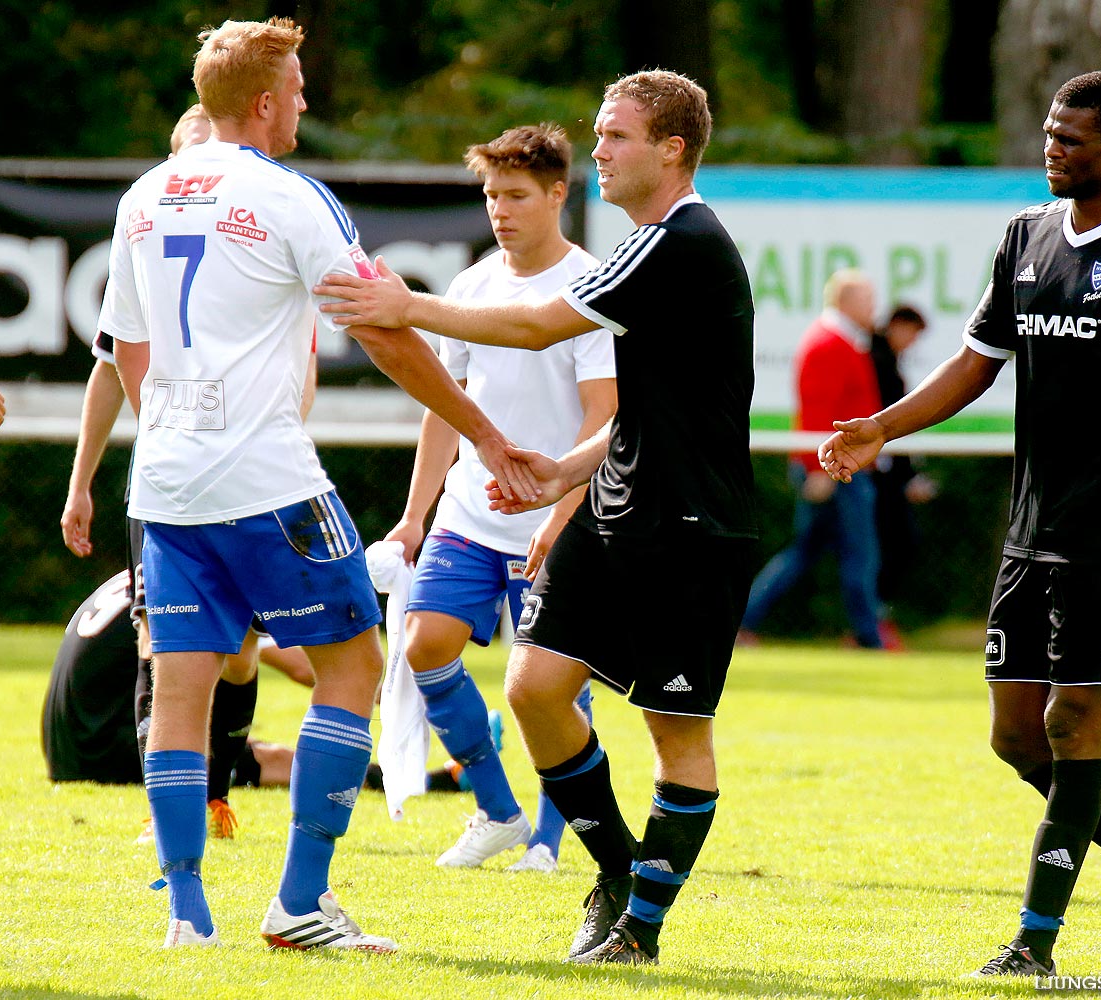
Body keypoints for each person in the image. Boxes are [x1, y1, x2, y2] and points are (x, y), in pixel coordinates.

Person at [101, 16, 535, 951]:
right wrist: (488, 439)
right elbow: (382, 330)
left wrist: (179, 426)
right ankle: (300, 905)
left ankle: (186, 913)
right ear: (263, 102)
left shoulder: (144, 196)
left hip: (164, 487)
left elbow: (128, 344)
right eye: (296, 89)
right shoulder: (290, 196)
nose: (305, 102)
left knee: (178, 695)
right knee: (352, 670)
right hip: (266, 482)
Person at [315, 69, 757, 965]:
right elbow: (645, 411)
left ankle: (639, 931)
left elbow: (536, 328)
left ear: (671, 150)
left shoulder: (681, 239)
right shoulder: (652, 244)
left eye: (617, 136)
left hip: (691, 530)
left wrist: (408, 306)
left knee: (676, 736)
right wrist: (566, 470)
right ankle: (618, 870)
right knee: (533, 688)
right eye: (598, 132)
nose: (598, 148)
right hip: (616, 506)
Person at [819, 71, 1101, 978]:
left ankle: (1032, 948)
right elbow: (976, 364)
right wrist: (880, 429)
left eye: (1071, 138)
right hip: (1031, 529)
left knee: (1072, 724)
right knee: (1015, 738)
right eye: (1048, 133)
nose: (1052, 149)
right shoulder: (1026, 237)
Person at [60, 102, 319, 843]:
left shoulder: (264, 236)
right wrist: (81, 482)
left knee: (237, 652)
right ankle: (172, 807)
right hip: (170, 478)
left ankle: (216, 785)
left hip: (253, 475)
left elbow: (301, 366)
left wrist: (275, 434)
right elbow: (110, 366)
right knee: (163, 643)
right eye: (192, 150)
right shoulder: (145, 234)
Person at [383, 124, 617, 872]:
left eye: (516, 195)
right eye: (490, 195)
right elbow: (443, 408)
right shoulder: (473, 287)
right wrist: (415, 516)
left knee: (549, 687)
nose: (500, 210)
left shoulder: (589, 288)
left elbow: (601, 418)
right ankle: (498, 812)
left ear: (557, 195)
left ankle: (552, 842)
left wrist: (561, 513)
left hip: (555, 520)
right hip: (469, 515)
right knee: (424, 647)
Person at [41, 571, 486, 797]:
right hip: (104, 754)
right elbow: (303, 666)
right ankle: (435, 782)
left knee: (245, 743)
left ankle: (432, 779)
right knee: (271, 759)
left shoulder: (157, 563)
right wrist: (420, 701)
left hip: (70, 745)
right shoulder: (199, 577)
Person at [736, 270, 886, 649]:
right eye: (868, 300)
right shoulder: (829, 344)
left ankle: (742, 621)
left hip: (837, 468)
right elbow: (818, 411)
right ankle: (869, 638)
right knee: (859, 554)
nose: (874, 308)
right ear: (846, 302)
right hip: (839, 471)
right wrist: (820, 468)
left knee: (805, 553)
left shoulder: (840, 341)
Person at [868, 304, 938, 648]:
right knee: (889, 547)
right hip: (877, 475)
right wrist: (904, 477)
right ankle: (871, 622)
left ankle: (870, 621)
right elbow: (887, 426)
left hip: (884, 473)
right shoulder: (876, 361)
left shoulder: (886, 360)